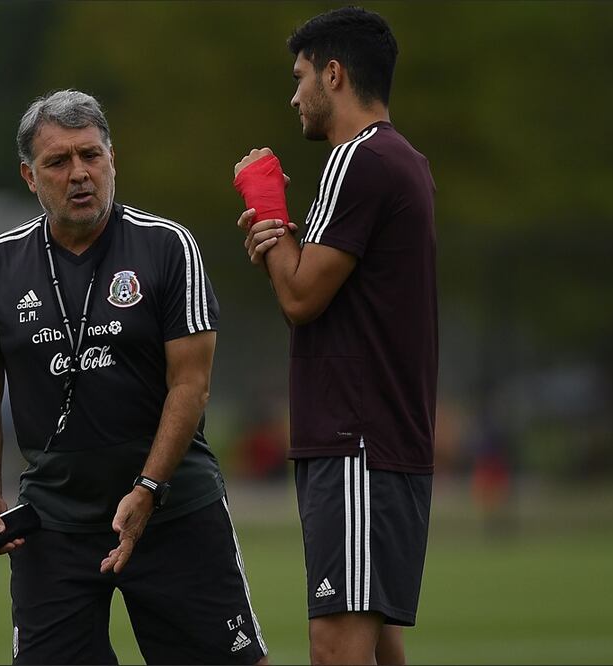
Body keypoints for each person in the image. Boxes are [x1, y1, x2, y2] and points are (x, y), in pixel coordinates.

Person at [0, 89, 267, 665]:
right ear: (29, 175)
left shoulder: (167, 246)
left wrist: (148, 488)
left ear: (111, 159)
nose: (79, 173)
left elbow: (190, 385)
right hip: (55, 522)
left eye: (90, 155)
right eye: (57, 161)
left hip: (172, 510)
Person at [233, 7, 437, 665]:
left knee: (334, 647)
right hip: (376, 438)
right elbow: (321, 294)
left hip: (356, 441)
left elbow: (300, 298)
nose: (294, 96)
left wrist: (266, 210)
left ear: (334, 74)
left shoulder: (358, 160)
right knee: (378, 644)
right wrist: (279, 246)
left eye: (300, 77)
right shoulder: (402, 160)